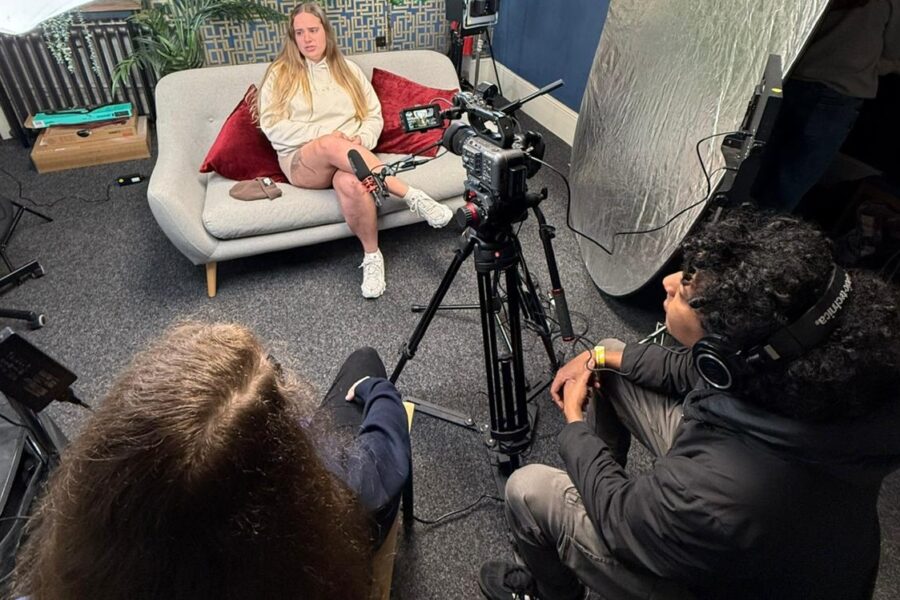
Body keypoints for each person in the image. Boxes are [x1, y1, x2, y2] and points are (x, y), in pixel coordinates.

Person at [479, 208, 900, 599]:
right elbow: (688, 373)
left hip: (720, 572)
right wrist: (600, 357)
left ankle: (552, 591)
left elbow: (620, 518)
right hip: (770, 529)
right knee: (611, 355)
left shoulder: (713, 493)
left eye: (685, 295)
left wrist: (574, 425)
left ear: (721, 355)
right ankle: (602, 470)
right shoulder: (802, 366)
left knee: (529, 489)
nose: (667, 282)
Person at [10, 322, 410, 600]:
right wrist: (377, 391)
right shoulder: (332, 492)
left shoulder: (61, 572)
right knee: (364, 359)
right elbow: (382, 465)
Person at [258, 2, 452, 299]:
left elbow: (373, 115)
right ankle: (412, 195)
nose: (307, 38)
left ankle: (372, 257)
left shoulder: (347, 70)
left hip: (348, 156)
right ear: (292, 37)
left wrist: (360, 138)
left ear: (326, 31)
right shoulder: (280, 73)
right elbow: (273, 127)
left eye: (313, 30)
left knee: (351, 183)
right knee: (328, 144)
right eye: (300, 32)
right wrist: (328, 137)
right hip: (301, 161)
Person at [753, 0, 900, 213]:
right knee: (783, 193)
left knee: (751, 170)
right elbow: (895, 51)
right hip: (837, 92)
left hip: (788, 75)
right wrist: (873, 65)